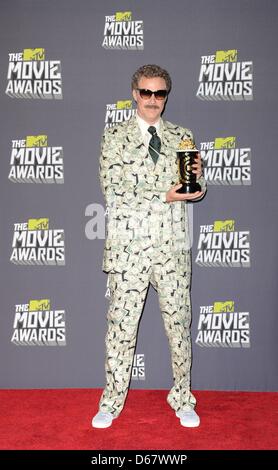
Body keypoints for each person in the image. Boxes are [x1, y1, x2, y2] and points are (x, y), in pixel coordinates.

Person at [92, 64, 207, 429]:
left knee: (180, 327)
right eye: (146, 92)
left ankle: (183, 398)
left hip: (172, 249)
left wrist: (198, 184)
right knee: (121, 329)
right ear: (134, 94)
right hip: (129, 249)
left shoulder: (182, 136)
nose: (152, 100)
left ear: (166, 96)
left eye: (159, 93)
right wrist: (166, 194)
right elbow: (115, 192)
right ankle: (110, 402)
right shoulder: (114, 136)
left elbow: (192, 187)